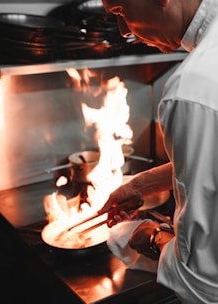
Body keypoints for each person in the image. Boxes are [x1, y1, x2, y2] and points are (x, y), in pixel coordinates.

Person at [100, 0, 218, 303]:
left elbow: (204, 283)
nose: (124, 31)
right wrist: (143, 184)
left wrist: (153, 237)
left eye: (121, 11)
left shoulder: (191, 88)